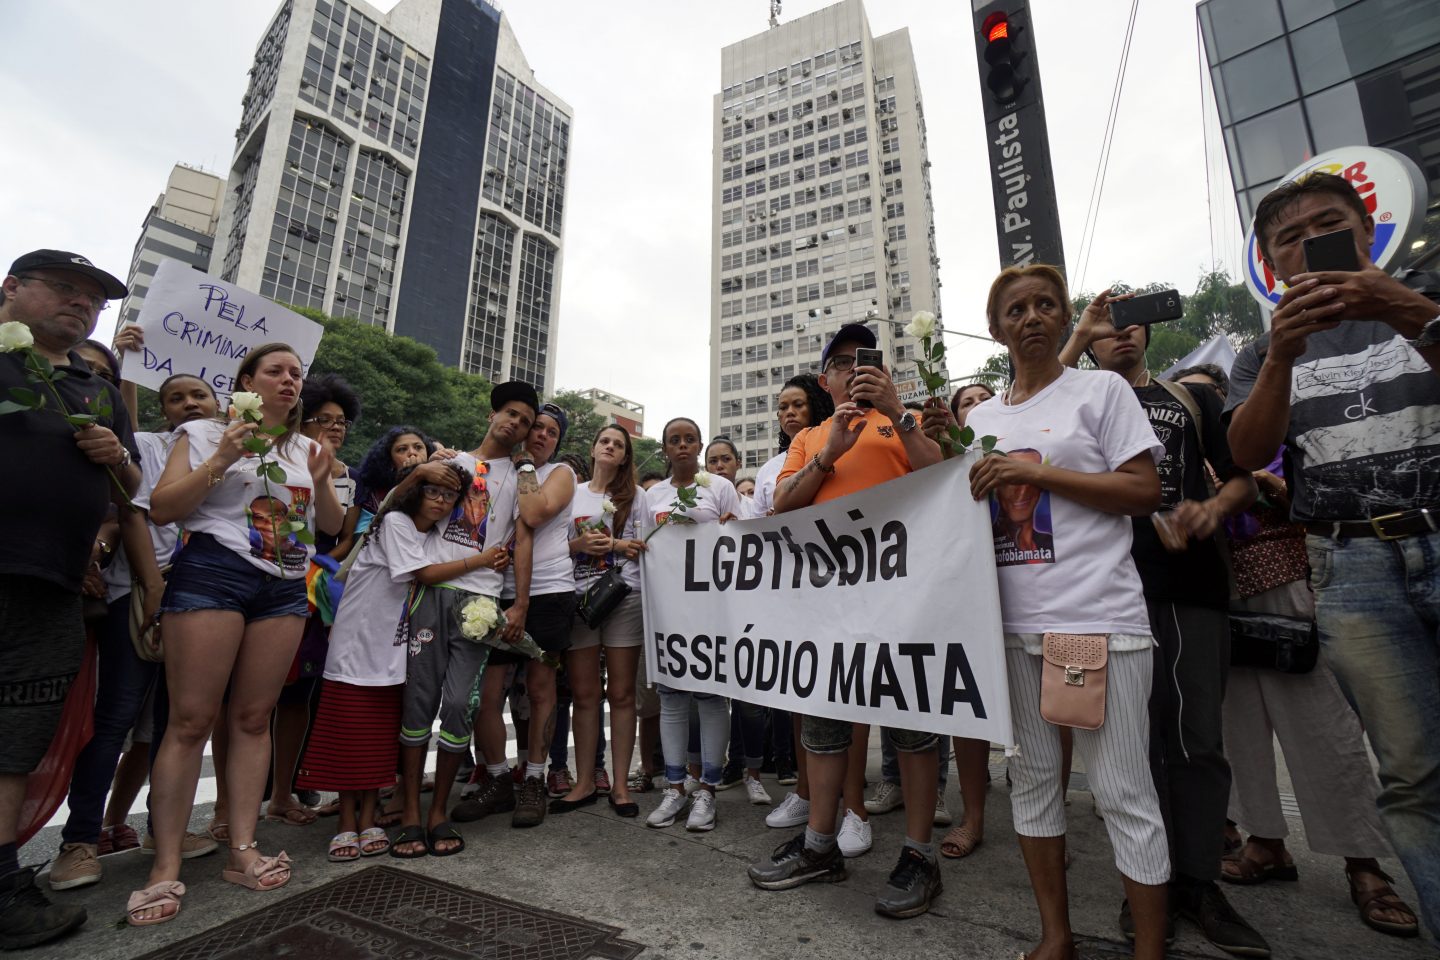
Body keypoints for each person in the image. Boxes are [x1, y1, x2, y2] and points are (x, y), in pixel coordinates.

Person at [1225, 171, 1440, 940]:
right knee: (1411, 774)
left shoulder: (1425, 295)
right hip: (1351, 565)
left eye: (1328, 224)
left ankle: (1365, 867)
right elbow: (1249, 450)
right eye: (1291, 236)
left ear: (1367, 229)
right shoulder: (1260, 353)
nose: (1310, 242)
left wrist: (1404, 309)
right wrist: (1283, 356)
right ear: (1271, 261)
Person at [963, 265, 1171, 960]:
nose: (1031, 317)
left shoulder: (1101, 390)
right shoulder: (982, 419)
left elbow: (1143, 489)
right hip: (1014, 632)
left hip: (1090, 628)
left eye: (1045, 304)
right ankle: (1055, 936)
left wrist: (1036, 473)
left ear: (1064, 318)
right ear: (997, 330)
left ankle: (1148, 948)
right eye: (1016, 308)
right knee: (1033, 784)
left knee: (1119, 792)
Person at [1062, 296, 1267, 956]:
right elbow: (1019, 423)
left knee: (1198, 739)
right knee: (1131, 749)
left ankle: (1200, 881)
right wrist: (1072, 342)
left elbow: (1244, 479)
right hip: (1102, 594)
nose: (1122, 335)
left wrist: (1212, 511)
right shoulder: (1073, 403)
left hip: (1191, 588)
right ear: (1089, 342)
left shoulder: (1190, 401)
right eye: (1105, 327)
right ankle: (1144, 884)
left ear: (1147, 336)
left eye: (1133, 325)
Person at [130, 343, 343, 925]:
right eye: (275, 371)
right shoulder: (203, 433)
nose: (289, 381)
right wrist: (222, 456)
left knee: (254, 718)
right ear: (246, 382)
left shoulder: (304, 448)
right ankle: (165, 866)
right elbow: (164, 509)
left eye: (297, 374)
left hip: (282, 585)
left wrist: (321, 480)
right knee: (191, 720)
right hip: (214, 574)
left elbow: (328, 527)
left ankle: (243, 848)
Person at [748, 322, 947, 918]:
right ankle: (818, 845)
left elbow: (940, 476)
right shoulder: (809, 437)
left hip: (901, 600)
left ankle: (918, 855)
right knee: (824, 728)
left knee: (911, 729)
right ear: (825, 378)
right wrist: (829, 455)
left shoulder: (900, 422)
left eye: (864, 361)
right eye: (839, 363)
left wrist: (899, 414)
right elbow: (783, 506)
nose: (852, 370)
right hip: (826, 603)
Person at [1217, 444, 1418, 937]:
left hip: (1295, 585)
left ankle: (1363, 864)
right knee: (1240, 732)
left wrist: (1264, 481)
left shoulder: (1297, 442)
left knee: (1326, 732)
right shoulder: (1204, 447)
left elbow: (1333, 507)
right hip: (1222, 591)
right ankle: (1265, 843)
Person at [0, 249, 136, 947]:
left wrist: (118, 458)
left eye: (93, 299)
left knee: (18, 738)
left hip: (54, 585)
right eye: (65, 289)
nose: (81, 304)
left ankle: (1, 884)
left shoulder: (96, 390)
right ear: (12, 288)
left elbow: (131, 493)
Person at [48, 374, 222, 893]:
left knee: (176, 726)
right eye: (176, 397)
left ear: (219, 402)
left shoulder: (237, 448)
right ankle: (79, 841)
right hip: (141, 597)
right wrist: (150, 586)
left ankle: (160, 832)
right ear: (161, 409)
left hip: (205, 601)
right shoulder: (145, 445)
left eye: (199, 395)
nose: (189, 403)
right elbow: (133, 514)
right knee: (116, 718)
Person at [295, 461, 480, 863]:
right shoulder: (395, 521)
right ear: (415, 491)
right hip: (358, 642)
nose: (441, 501)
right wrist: (482, 560)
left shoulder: (429, 532)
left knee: (378, 735)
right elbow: (427, 575)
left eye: (449, 495)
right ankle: (347, 819)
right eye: (432, 491)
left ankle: (370, 814)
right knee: (349, 730)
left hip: (394, 648)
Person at [389, 381, 536, 856]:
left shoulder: (518, 478)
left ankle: (439, 814)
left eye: (526, 422)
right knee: (419, 701)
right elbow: (401, 512)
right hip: (432, 591)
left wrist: (521, 603)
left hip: (482, 603)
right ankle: (412, 811)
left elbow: (527, 531)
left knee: (459, 706)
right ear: (493, 415)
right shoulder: (450, 462)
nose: (515, 424)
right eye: (510, 413)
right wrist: (425, 468)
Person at [644, 417, 742, 832]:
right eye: (673, 440)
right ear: (665, 449)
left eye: (689, 439)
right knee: (671, 697)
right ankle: (675, 785)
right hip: (669, 608)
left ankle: (708, 789)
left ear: (699, 446)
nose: (682, 445)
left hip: (711, 607)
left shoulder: (719, 488)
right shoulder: (653, 495)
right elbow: (646, 546)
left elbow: (741, 540)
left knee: (710, 696)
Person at [486, 401, 577, 828]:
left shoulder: (560, 474)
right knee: (487, 695)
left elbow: (535, 513)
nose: (541, 435)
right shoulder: (497, 468)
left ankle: (536, 779)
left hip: (549, 594)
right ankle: (497, 777)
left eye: (551, 432)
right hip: (492, 591)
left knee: (541, 690)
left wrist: (525, 467)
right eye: (535, 427)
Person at [551, 425, 647, 818]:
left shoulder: (635, 497)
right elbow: (550, 543)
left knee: (622, 694)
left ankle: (621, 785)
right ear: (593, 449)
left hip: (624, 596)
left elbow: (647, 547)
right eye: (605, 441)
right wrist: (577, 545)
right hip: (578, 599)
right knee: (585, 694)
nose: (610, 447)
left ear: (624, 457)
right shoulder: (570, 493)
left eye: (618, 445)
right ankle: (585, 780)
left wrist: (616, 545)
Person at [755, 374, 835, 828]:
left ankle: (847, 802)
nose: (789, 412)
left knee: (842, 694)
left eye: (798, 405)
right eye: (782, 406)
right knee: (799, 694)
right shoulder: (769, 471)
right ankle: (805, 793)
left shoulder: (834, 448)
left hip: (832, 583)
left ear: (816, 407)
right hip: (787, 591)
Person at [355, 426, 436, 532]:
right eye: (402, 449)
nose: (412, 453)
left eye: (418, 447)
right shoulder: (373, 494)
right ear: (390, 461)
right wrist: (411, 476)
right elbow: (362, 534)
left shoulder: (440, 489)